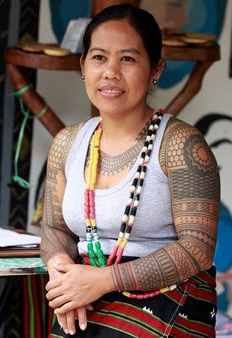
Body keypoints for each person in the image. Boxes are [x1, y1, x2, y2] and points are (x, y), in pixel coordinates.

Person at [40, 4, 220, 337]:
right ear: (82, 66)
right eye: (98, 57)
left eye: (128, 58)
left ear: (156, 69)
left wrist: (102, 280)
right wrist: (61, 271)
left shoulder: (181, 145)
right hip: (85, 298)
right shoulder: (67, 142)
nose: (110, 72)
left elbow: (197, 248)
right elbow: (55, 228)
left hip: (166, 301)